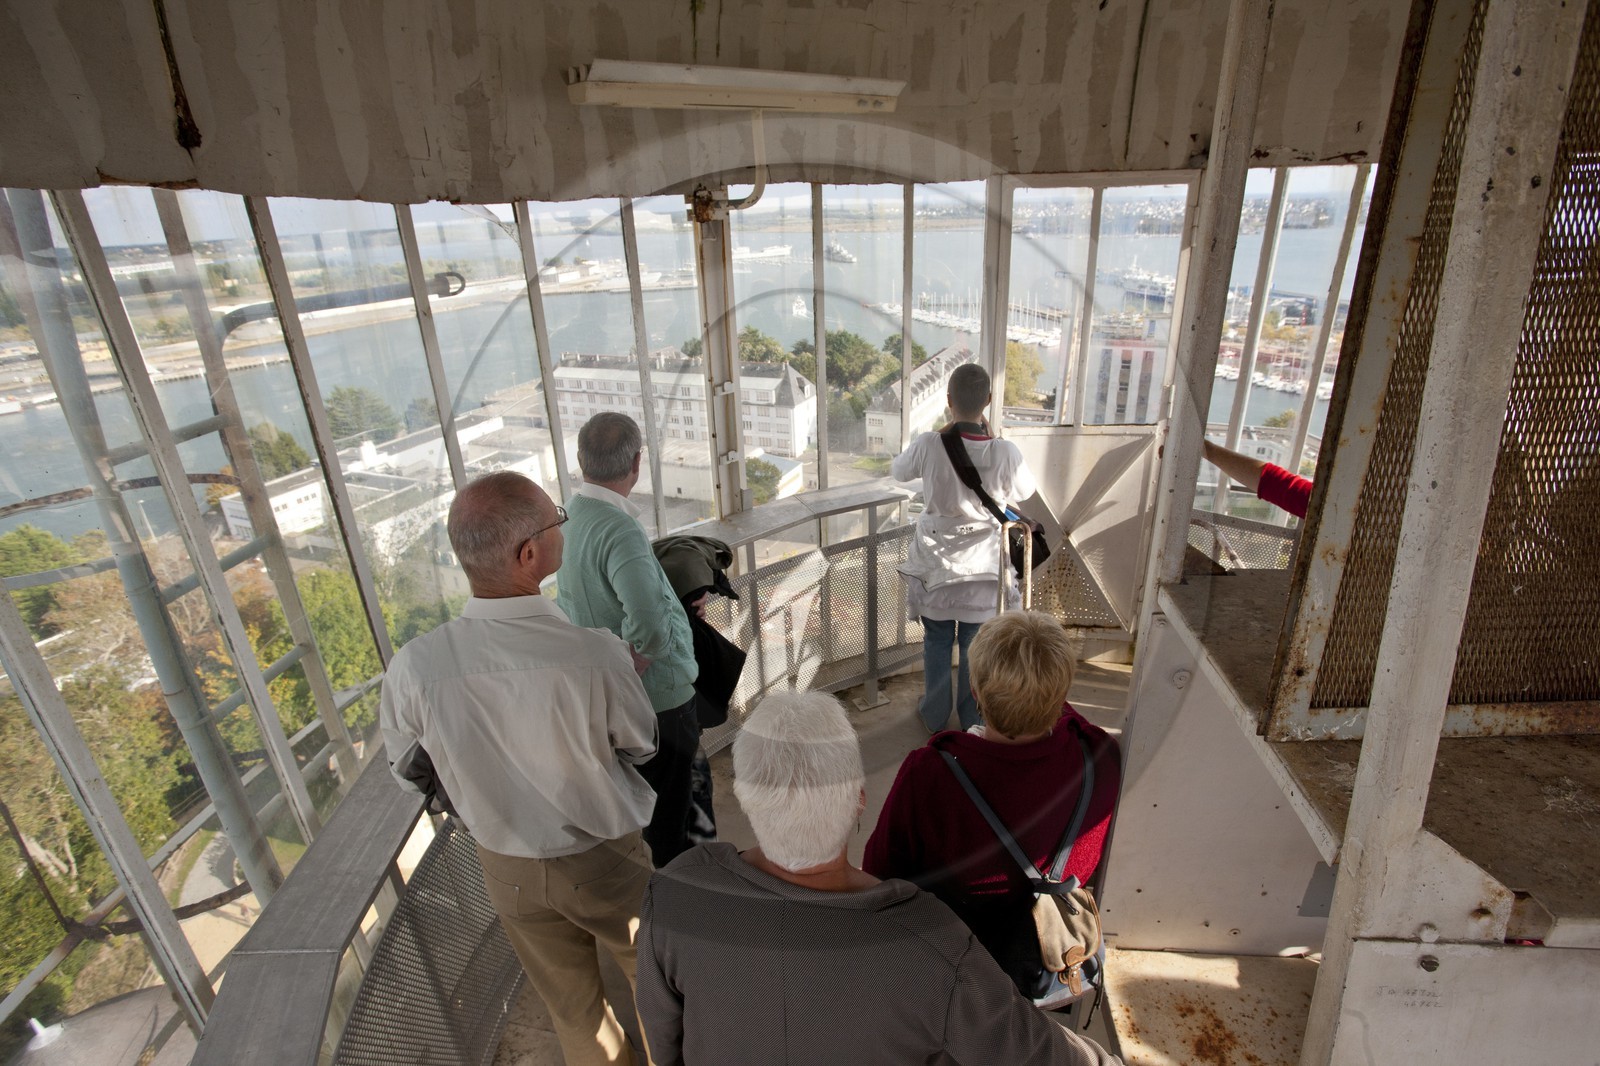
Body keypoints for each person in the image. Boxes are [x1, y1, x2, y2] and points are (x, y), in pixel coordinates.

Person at [636, 689, 1124, 1066]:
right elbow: (1037, 1054)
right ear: (859, 799)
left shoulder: (676, 892)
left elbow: (665, 1044)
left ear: (743, 796)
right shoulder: (931, 942)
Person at [379, 472, 657, 1066]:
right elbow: (640, 745)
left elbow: (410, 768)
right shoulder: (595, 655)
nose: (563, 524)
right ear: (529, 555)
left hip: (505, 864)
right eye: (556, 519)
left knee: (573, 1010)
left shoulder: (416, 666)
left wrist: (484, 792)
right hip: (603, 854)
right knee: (652, 981)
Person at [864, 611, 1121, 998]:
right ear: (1063, 691)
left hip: (958, 964)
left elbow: (880, 873)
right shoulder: (1098, 755)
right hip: (1053, 955)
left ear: (975, 691)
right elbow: (1072, 722)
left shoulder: (932, 774)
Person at [559, 413, 702, 867]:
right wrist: (633, 664)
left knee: (648, 804)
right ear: (637, 463)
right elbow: (649, 626)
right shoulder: (618, 528)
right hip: (658, 700)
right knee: (672, 812)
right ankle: (681, 897)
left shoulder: (569, 517)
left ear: (581, 459)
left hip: (611, 702)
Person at [893, 362, 1038, 731]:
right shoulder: (1005, 451)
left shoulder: (929, 443)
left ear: (948, 401)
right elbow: (1026, 492)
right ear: (987, 401)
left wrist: (942, 433)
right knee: (975, 646)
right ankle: (972, 717)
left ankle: (934, 714)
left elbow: (898, 471)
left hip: (936, 568)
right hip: (984, 571)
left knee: (937, 640)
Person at [1203, 438, 1313, 518]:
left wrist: (1206, 449)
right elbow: (1275, 484)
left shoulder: (1321, 507)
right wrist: (1207, 449)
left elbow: (1276, 484)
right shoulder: (1321, 507)